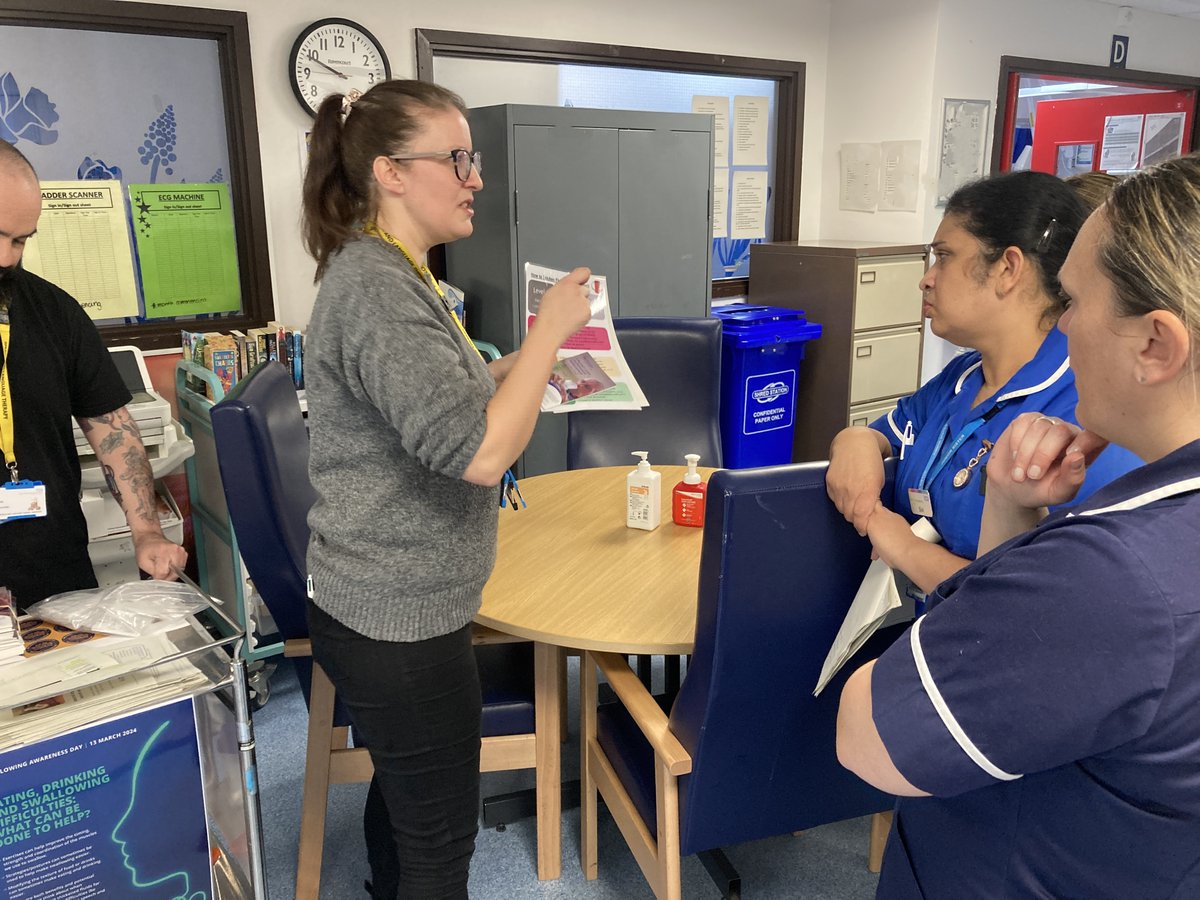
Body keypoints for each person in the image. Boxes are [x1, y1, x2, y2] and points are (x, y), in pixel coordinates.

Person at [836, 153, 1200, 898]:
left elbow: (865, 735)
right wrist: (1011, 509)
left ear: (1157, 345)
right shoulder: (965, 385)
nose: (1063, 326)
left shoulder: (1118, 572)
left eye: (1073, 301)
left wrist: (904, 545)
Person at [299, 80, 591, 898]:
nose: (476, 178)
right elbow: (477, 452)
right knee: (438, 841)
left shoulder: (399, 273)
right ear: (391, 172)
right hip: (396, 617)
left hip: (396, 602)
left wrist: (521, 371)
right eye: (456, 159)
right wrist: (546, 336)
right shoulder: (376, 289)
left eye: (474, 159)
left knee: (405, 801)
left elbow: (442, 400)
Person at [825, 171, 1139, 595]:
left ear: (1008, 268)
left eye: (944, 256)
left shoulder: (1087, 408)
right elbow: (882, 434)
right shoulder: (966, 376)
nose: (927, 278)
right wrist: (852, 442)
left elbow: (1030, 600)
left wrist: (895, 540)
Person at [0, 141, 186, 611]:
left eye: (21, 240)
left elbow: (111, 425)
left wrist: (146, 531)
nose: (7, 257)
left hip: (52, 576)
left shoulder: (54, 311)